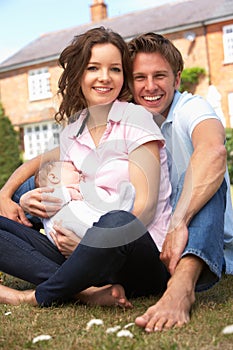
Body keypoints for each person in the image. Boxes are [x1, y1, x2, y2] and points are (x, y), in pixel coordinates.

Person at [0, 27, 172, 310]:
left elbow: (145, 208)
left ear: (123, 76)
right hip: (78, 255)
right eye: (94, 68)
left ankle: (35, 296)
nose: (105, 77)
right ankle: (87, 291)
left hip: (136, 255)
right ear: (79, 73)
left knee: (117, 219)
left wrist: (87, 243)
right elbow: (47, 171)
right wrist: (27, 199)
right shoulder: (73, 131)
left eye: (115, 69)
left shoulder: (136, 119)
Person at [126, 32, 233, 331]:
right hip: (155, 245)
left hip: (205, 240)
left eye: (159, 75)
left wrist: (179, 221)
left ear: (177, 78)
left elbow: (213, 150)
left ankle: (182, 287)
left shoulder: (191, 108)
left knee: (201, 171)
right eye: (140, 77)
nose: (150, 87)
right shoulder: (129, 121)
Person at [34, 160, 135, 245]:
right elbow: (46, 205)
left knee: (102, 213)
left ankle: (119, 207)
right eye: (75, 171)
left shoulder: (78, 195)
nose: (81, 174)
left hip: (89, 225)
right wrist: (68, 193)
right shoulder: (49, 195)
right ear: (54, 177)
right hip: (67, 228)